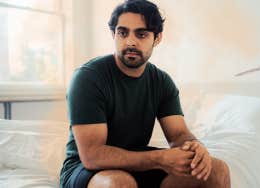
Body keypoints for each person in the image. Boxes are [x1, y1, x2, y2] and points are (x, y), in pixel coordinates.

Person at [59, 0, 231, 187]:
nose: (130, 41)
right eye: (122, 33)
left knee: (217, 170)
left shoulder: (162, 81)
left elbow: (179, 134)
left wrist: (196, 148)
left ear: (157, 38)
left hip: (138, 162)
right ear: (113, 34)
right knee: (119, 183)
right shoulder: (88, 78)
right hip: (86, 169)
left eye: (141, 34)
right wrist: (159, 158)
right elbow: (92, 156)